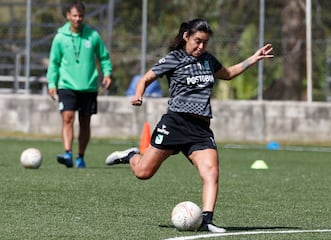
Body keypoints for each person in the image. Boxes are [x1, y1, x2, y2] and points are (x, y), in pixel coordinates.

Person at [105, 18, 273, 232]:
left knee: (211, 173)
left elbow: (228, 74)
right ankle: (131, 155)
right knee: (143, 173)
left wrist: (254, 58)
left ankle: (207, 220)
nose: (201, 46)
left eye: (205, 42)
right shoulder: (174, 58)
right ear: (186, 37)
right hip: (175, 123)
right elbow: (145, 79)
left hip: (200, 130)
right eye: (197, 41)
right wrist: (139, 95)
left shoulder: (208, 60)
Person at [47, 1, 112, 168]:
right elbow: (54, 63)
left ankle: (80, 156)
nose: (78, 19)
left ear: (84, 16)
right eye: (74, 15)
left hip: (88, 86)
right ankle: (67, 153)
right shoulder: (60, 38)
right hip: (66, 85)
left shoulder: (93, 36)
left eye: (80, 16)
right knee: (67, 118)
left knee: (85, 122)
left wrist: (108, 74)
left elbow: (103, 57)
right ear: (68, 16)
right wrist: (51, 83)